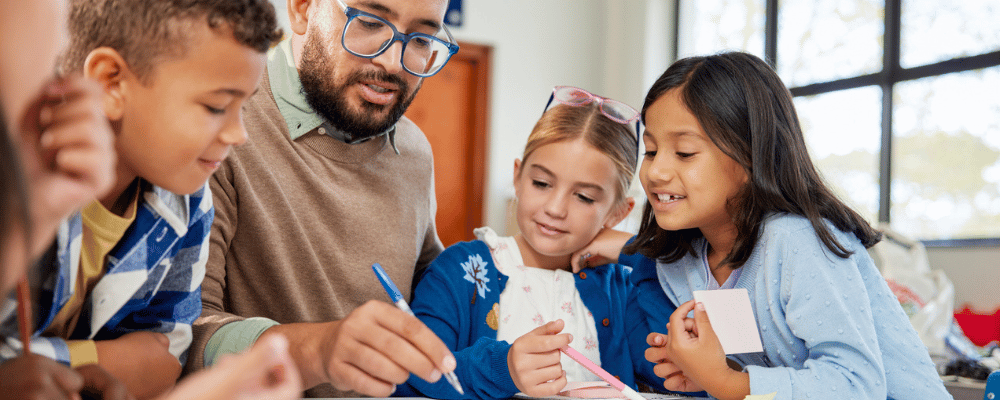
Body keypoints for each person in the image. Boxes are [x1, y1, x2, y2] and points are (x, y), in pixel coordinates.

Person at [572, 52, 951, 400]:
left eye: (685, 153)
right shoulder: (688, 262)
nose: (655, 171)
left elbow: (856, 385)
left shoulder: (797, 241)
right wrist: (711, 373)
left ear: (750, 157)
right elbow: (764, 369)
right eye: (651, 151)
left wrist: (726, 382)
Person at [0, 0, 287, 398]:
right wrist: (105, 361)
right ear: (111, 82)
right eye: (216, 106)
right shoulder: (26, 179)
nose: (239, 134)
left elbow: (167, 358)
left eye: (244, 105)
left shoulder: (187, 200)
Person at [187, 0, 463, 397]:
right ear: (302, 9)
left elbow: (438, 289)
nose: (393, 62)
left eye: (422, 39)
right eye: (369, 22)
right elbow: (182, 336)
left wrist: (556, 258)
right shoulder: (225, 124)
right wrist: (318, 351)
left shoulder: (415, 151)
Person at [394, 86, 666, 400]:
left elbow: (680, 374)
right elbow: (410, 377)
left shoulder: (622, 288)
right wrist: (503, 368)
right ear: (518, 177)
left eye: (584, 197)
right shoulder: (460, 271)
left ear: (618, 212)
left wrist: (635, 252)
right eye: (541, 183)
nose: (555, 208)